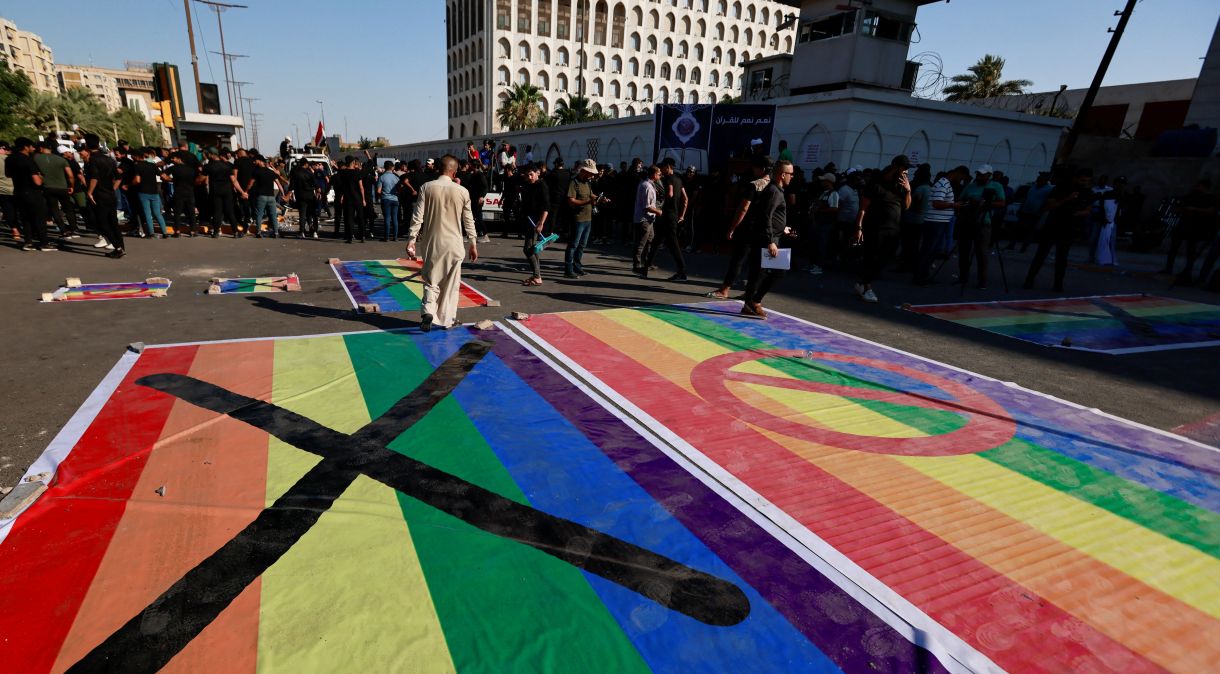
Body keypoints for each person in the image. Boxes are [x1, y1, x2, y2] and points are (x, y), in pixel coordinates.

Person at [405, 155, 478, 331]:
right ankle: (446, 319)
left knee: (431, 280)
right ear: (454, 172)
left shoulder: (426, 188)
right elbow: (468, 220)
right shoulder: (462, 191)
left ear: (439, 169)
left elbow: (417, 217)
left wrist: (411, 240)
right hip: (454, 243)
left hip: (432, 242)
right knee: (451, 284)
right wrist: (473, 242)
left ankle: (428, 310)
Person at [707, 155, 772, 298]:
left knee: (738, 259)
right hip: (766, 230)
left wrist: (732, 227)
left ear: (762, 169)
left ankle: (725, 289)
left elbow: (743, 208)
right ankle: (751, 292)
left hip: (749, 228)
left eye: (755, 167)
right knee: (758, 263)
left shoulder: (755, 185)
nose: (753, 170)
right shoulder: (774, 186)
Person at [740, 160, 795, 319]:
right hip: (767, 239)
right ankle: (754, 302)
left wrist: (782, 228)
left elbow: (771, 216)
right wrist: (770, 240)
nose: (792, 176)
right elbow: (765, 216)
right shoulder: (774, 191)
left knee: (759, 272)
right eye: (790, 173)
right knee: (775, 272)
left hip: (770, 236)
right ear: (782, 174)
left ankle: (750, 303)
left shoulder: (776, 190)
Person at [1023, 168, 1093, 292]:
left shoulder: (1087, 192)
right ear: (1076, 178)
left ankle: (1058, 284)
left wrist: (1079, 213)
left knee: (1062, 258)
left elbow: (1088, 209)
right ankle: (1029, 279)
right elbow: (1049, 205)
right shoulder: (1060, 188)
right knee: (1041, 254)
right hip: (1053, 225)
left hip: (1069, 228)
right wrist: (1067, 199)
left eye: (1087, 181)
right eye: (1082, 180)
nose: (1084, 183)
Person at [853, 155, 912, 303]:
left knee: (886, 259)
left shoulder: (900, 186)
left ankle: (862, 282)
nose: (906, 172)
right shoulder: (876, 184)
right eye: (904, 169)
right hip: (875, 228)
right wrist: (859, 227)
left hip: (893, 230)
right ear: (896, 167)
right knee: (872, 258)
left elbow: (907, 206)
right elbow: (863, 208)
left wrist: (908, 191)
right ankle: (867, 287)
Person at [914, 165, 968, 284]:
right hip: (935, 222)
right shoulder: (943, 183)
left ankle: (923, 275)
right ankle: (920, 277)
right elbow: (937, 204)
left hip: (938, 221)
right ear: (959, 173)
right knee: (928, 250)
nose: (961, 180)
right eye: (962, 177)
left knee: (931, 250)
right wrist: (953, 205)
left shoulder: (944, 183)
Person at [955, 164, 1007, 289]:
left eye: (982, 174)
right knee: (963, 251)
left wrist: (985, 203)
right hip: (968, 221)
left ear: (989, 175)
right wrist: (968, 203)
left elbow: (1002, 203)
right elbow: (960, 201)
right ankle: (963, 276)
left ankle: (982, 280)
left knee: (981, 252)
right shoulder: (970, 186)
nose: (978, 176)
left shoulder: (996, 186)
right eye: (978, 173)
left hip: (984, 222)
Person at [1162, 179, 1219, 283]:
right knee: (1174, 246)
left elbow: (1212, 211)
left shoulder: (1211, 198)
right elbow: (1179, 207)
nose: (1196, 188)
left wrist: (1194, 209)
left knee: (1191, 250)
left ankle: (1187, 271)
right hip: (1184, 224)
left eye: (1199, 186)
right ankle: (1169, 268)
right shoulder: (1191, 196)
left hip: (1196, 227)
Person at [641, 158, 688, 280]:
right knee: (657, 241)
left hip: (666, 215)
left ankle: (682, 271)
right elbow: (685, 199)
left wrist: (662, 198)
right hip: (673, 215)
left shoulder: (668, 179)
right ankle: (646, 267)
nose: (661, 170)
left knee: (672, 244)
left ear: (668, 167)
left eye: (662, 167)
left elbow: (670, 194)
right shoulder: (679, 179)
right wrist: (682, 215)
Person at [83, 134, 124, 258]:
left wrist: (89, 192)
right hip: (110, 194)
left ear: (87, 145)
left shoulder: (93, 160)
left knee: (102, 223)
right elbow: (119, 177)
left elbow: (94, 177)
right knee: (113, 221)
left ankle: (117, 247)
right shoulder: (109, 159)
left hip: (99, 195)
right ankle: (120, 246)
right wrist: (113, 188)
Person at [6, 137, 52, 251]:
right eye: (31, 146)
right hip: (32, 192)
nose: (33, 148)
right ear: (26, 147)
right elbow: (37, 181)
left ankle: (28, 242)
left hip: (18, 191)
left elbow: (8, 175)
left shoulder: (9, 159)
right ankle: (44, 243)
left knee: (25, 218)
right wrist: (41, 178)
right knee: (39, 218)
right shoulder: (28, 160)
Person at [565, 158, 607, 278]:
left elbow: (591, 195)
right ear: (583, 171)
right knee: (573, 245)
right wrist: (588, 201)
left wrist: (599, 198)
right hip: (578, 219)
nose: (592, 175)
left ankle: (577, 267)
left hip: (588, 218)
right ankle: (568, 269)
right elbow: (571, 201)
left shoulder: (587, 183)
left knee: (582, 245)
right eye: (591, 173)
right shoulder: (574, 183)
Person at [34, 142, 78, 239]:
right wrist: (71, 186)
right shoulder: (61, 159)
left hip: (48, 187)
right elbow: (70, 175)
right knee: (68, 208)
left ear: (41, 148)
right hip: (63, 187)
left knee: (55, 210)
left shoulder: (36, 158)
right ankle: (74, 229)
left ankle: (64, 231)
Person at [518, 163, 551, 285]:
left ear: (537, 173)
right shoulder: (527, 184)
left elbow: (546, 206)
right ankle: (537, 276)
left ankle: (537, 276)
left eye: (531, 174)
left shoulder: (542, 185)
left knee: (528, 249)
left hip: (536, 221)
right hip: (528, 219)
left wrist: (541, 223)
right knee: (533, 249)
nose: (530, 177)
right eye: (528, 175)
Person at [202, 148, 246, 238]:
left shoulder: (208, 166)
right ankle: (235, 232)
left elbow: (201, 179)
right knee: (230, 211)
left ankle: (216, 232)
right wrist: (242, 192)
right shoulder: (227, 165)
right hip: (227, 191)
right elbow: (234, 180)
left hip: (215, 191)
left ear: (211, 154)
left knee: (217, 212)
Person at [1010, 172, 1052, 252]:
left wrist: (1041, 211)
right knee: (1018, 228)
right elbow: (1026, 198)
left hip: (1036, 213)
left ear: (1045, 179)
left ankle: (1024, 247)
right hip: (1025, 211)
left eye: (1041, 177)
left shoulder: (1048, 189)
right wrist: (1021, 207)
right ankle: (1011, 244)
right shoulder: (1033, 187)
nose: (1038, 178)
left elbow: (1047, 202)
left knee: (1030, 231)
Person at [633, 165, 663, 273]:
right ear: (654, 174)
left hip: (649, 219)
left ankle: (647, 262)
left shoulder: (649, 185)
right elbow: (647, 206)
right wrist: (659, 211)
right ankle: (636, 265)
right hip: (644, 219)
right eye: (659, 174)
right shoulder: (647, 186)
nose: (660, 176)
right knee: (641, 243)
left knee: (650, 240)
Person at [162, 152, 199, 237]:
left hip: (179, 192)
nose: (173, 160)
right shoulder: (191, 169)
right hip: (190, 192)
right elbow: (197, 179)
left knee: (177, 212)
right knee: (191, 212)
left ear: (179, 159)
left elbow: (163, 176)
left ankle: (177, 231)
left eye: (174, 158)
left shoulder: (174, 168)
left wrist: (171, 180)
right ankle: (193, 231)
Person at [247, 154, 283, 238]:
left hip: (261, 196)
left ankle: (258, 232)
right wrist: (283, 193)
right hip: (271, 197)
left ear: (260, 161)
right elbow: (278, 182)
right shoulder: (271, 172)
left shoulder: (256, 171)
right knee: (273, 215)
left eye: (255, 161)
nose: (254, 162)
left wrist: (245, 191)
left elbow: (251, 183)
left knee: (259, 214)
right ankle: (276, 232)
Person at [1094, 177, 1124, 266]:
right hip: (1107, 220)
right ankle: (1104, 258)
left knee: (1110, 240)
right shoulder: (1109, 194)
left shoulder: (1119, 195)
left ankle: (1108, 258)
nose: (1121, 186)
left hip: (1112, 220)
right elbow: (1105, 207)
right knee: (1104, 239)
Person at [289, 159, 319, 238]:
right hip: (310, 196)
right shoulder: (310, 173)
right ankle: (314, 231)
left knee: (302, 214)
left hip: (301, 196)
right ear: (305, 164)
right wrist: (318, 193)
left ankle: (302, 232)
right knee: (312, 214)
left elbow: (291, 186)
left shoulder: (296, 174)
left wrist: (288, 195)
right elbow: (317, 186)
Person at [376, 160, 401, 241]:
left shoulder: (382, 177)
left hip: (385, 199)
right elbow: (399, 189)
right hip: (395, 199)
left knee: (387, 218)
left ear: (384, 167)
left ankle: (386, 237)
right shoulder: (396, 177)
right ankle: (395, 237)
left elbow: (378, 191)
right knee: (395, 218)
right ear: (392, 167)